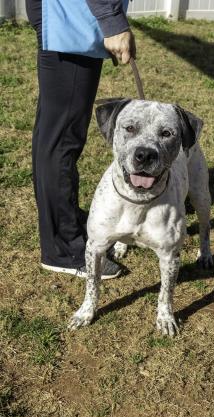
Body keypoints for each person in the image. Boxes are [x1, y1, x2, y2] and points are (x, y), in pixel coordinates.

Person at [25, 0, 136, 278]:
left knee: (53, 133)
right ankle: (64, 250)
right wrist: (112, 20)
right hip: (72, 18)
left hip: (65, 14)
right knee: (62, 137)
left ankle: (62, 227)